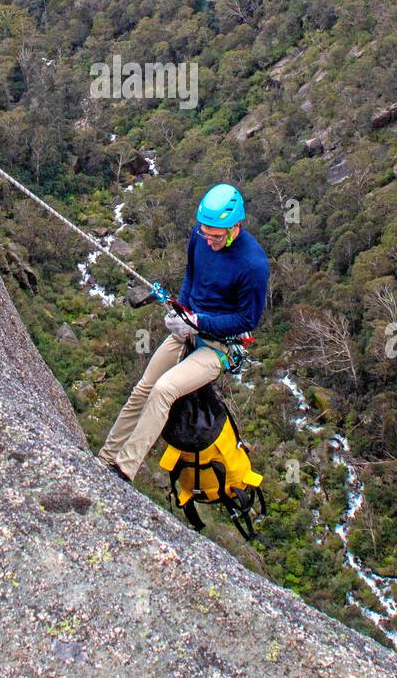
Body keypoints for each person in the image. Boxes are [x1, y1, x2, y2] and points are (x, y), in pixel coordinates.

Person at [97, 183, 269, 483]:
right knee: (143, 389)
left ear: (235, 226)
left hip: (218, 346)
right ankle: (105, 457)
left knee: (165, 390)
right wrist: (181, 310)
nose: (210, 241)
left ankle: (123, 470)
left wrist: (197, 322)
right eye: (206, 233)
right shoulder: (199, 237)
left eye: (216, 236)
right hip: (188, 326)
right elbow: (192, 273)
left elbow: (247, 319)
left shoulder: (253, 264)